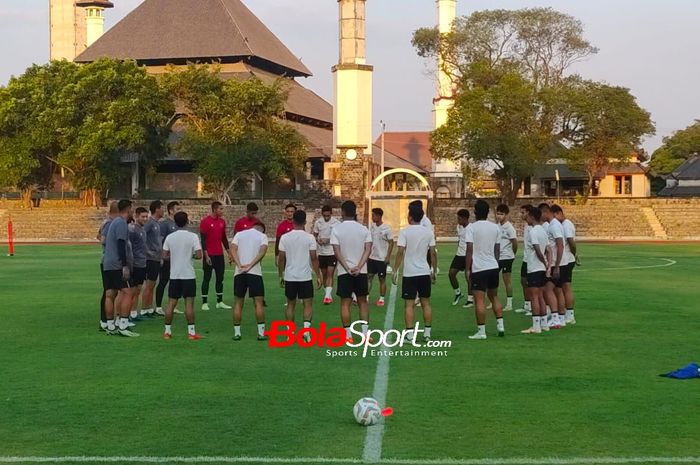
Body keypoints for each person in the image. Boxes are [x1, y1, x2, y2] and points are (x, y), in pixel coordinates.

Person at [392, 204, 436, 342]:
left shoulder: (405, 232)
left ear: (410, 216)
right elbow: (433, 252)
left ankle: (410, 334)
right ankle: (427, 333)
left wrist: (395, 269)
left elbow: (400, 251)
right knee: (426, 303)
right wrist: (433, 270)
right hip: (424, 271)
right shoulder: (428, 232)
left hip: (410, 273)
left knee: (409, 305)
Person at [330, 200, 372, 342]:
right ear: (355, 212)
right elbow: (368, 249)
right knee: (363, 302)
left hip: (344, 272)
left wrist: (348, 268)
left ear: (342, 212)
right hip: (361, 271)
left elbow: (336, 251)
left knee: (345, 303)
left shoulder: (336, 229)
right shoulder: (364, 229)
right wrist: (359, 267)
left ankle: (348, 335)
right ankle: (366, 334)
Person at [278, 210, 323, 340]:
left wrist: (281, 275)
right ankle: (306, 331)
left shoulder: (285, 237)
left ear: (293, 220)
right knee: (307, 304)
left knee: (290, 304)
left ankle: (290, 334)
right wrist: (318, 276)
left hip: (290, 276)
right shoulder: (309, 238)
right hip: (305, 277)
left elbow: (281, 258)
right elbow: (314, 258)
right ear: (305, 222)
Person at [465, 200, 504, 340]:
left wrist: (467, 268)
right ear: (488, 212)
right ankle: (500, 325)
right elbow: (497, 249)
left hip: (479, 268)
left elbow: (469, 249)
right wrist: (496, 264)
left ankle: (481, 332)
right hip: (493, 266)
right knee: (494, 297)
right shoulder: (495, 228)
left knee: (479, 300)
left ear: (475, 212)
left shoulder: (471, 228)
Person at [162, 211, 203, 340]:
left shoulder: (170, 237)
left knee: (171, 304)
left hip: (174, 275)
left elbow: (164, 255)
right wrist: (190, 255)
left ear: (175, 222)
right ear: (187, 221)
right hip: (188, 275)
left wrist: (174, 256)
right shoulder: (193, 237)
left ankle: (167, 332)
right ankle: (191, 333)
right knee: (189, 305)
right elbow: (199, 255)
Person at [102, 199, 138, 337]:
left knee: (110, 294)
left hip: (108, 264)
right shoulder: (121, 223)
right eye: (132, 209)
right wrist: (124, 265)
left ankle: (110, 325)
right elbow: (121, 244)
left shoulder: (114, 222)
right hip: (117, 264)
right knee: (128, 292)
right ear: (128, 209)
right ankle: (123, 325)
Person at [230, 222, 269, 341]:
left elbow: (233, 249)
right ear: (262, 229)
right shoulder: (262, 236)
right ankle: (261, 333)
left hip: (239, 273)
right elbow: (262, 251)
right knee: (258, 303)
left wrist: (240, 265)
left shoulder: (239, 234)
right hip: (255, 273)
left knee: (238, 303)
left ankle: (237, 333)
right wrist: (250, 265)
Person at [521, 206, 549, 335]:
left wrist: (543, 261)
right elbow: (548, 249)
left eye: (527, 215)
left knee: (534, 297)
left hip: (534, 268)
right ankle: (544, 324)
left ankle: (536, 326)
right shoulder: (543, 230)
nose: (526, 217)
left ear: (532, 216)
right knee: (541, 296)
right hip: (542, 269)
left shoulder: (533, 231)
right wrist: (548, 264)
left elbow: (538, 250)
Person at [200, 201, 232, 311]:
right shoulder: (205, 222)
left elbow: (224, 239)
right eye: (220, 209)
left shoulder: (222, 222)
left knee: (220, 278)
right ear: (214, 209)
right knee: (207, 278)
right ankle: (204, 303)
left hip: (219, 255)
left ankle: (219, 301)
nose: (222, 211)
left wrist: (229, 253)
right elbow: (203, 240)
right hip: (209, 255)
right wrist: (206, 255)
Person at [552, 204, 577, 325]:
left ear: (559, 213)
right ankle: (567, 313)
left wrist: (574, 254)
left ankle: (569, 315)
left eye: (555, 215)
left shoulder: (566, 225)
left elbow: (571, 242)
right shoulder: (563, 224)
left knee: (564, 287)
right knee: (562, 287)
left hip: (567, 259)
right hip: (566, 259)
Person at [155, 201, 181, 315]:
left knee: (174, 282)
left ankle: (172, 305)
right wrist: (162, 255)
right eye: (177, 209)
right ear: (171, 210)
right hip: (167, 258)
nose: (179, 211)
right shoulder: (165, 224)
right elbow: (160, 240)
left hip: (176, 258)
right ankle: (158, 306)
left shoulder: (178, 224)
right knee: (163, 281)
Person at [312, 205, 340, 305]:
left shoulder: (336, 223)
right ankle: (327, 294)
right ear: (322, 214)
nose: (326, 217)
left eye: (328, 215)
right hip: (321, 252)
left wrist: (329, 240)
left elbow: (339, 236)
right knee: (324, 273)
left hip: (332, 251)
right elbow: (314, 235)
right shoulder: (318, 222)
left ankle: (327, 296)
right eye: (325, 216)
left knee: (330, 273)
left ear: (331, 214)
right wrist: (318, 240)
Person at [140, 200, 163, 318]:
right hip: (150, 258)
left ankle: (149, 308)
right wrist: (148, 251)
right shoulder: (149, 223)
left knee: (153, 283)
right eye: (161, 208)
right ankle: (144, 309)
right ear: (157, 209)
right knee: (149, 284)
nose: (163, 210)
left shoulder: (157, 223)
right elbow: (142, 236)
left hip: (156, 258)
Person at [97, 201, 119, 331]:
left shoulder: (108, 222)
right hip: (108, 261)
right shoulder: (110, 223)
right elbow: (102, 238)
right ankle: (105, 320)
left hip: (108, 260)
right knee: (109, 291)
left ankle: (107, 319)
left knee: (111, 291)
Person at [367, 208, 394, 307]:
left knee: (382, 279)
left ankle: (381, 299)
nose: (372, 217)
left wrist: (388, 257)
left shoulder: (386, 228)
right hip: (372, 257)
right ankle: (366, 297)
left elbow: (391, 243)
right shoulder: (372, 227)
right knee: (369, 277)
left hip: (381, 258)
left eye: (373, 215)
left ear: (379, 216)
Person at [127, 207, 149, 323]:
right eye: (143, 216)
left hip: (142, 263)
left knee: (139, 289)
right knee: (132, 290)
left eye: (146, 216)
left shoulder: (142, 229)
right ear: (136, 216)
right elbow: (128, 246)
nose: (145, 219)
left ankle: (134, 313)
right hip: (135, 264)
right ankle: (128, 313)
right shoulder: (132, 230)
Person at [495, 204, 518, 311]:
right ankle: (493, 300)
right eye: (498, 213)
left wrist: (512, 254)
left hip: (507, 257)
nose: (499, 216)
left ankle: (509, 304)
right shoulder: (497, 226)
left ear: (506, 215)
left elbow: (515, 243)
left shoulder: (509, 228)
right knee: (493, 279)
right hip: (497, 257)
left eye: (501, 214)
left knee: (506, 280)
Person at [448, 209, 471, 307]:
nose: (458, 220)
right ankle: (458, 293)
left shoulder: (471, 228)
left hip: (468, 255)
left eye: (459, 218)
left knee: (468, 277)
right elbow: (460, 240)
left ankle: (470, 300)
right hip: (459, 255)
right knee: (451, 274)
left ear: (465, 219)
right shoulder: (459, 227)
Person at [515, 204, 533, 315]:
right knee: (523, 281)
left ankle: (533, 307)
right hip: (526, 259)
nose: (521, 215)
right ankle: (527, 305)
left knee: (532, 284)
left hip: (532, 260)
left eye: (523, 212)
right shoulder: (526, 226)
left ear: (529, 213)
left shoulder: (533, 227)